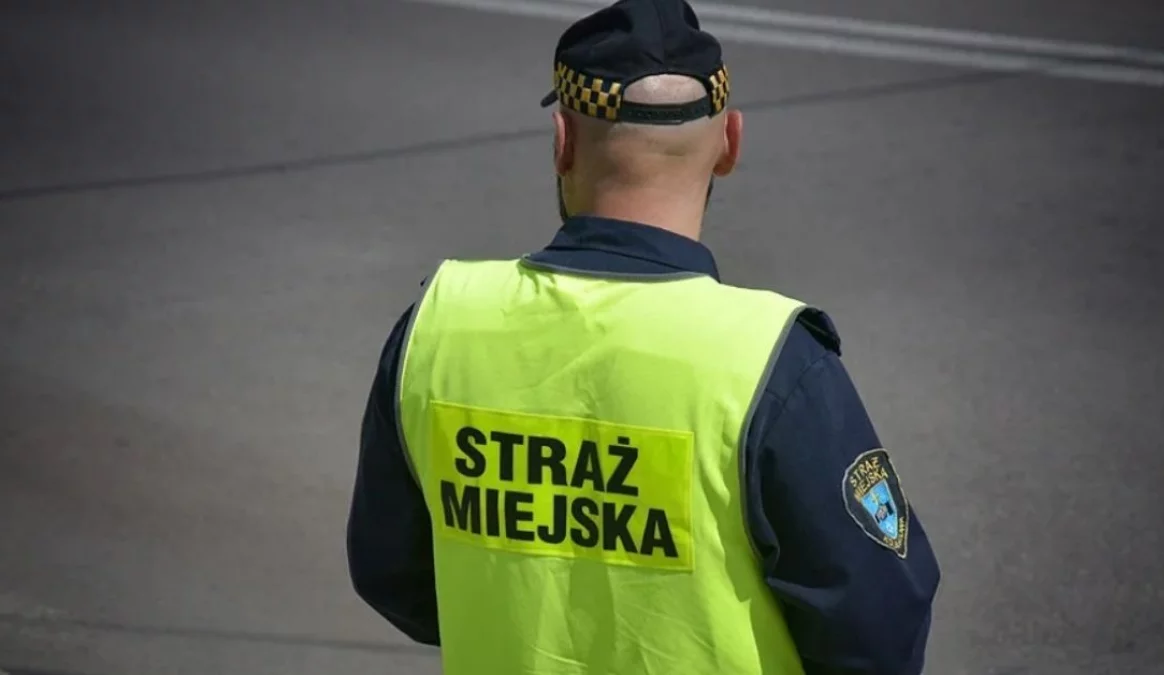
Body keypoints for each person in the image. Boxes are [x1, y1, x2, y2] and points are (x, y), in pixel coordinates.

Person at [346, 0, 941, 673]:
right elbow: (878, 626)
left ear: (562, 140)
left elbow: (393, 576)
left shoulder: (440, 324)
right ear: (730, 143)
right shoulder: (772, 363)